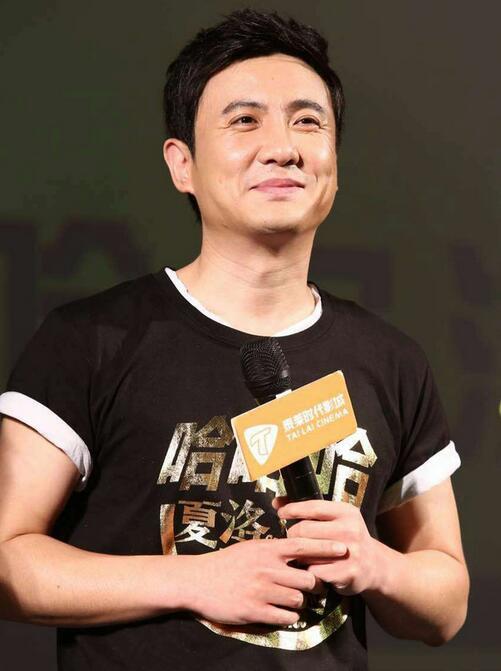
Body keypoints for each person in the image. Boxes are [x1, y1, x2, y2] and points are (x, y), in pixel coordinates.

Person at [0, 8, 469, 670]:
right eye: (245, 121)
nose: (282, 147)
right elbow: (8, 558)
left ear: (334, 162)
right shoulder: (91, 341)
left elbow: (447, 602)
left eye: (308, 122)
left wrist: (375, 563)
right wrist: (193, 579)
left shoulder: (390, 360)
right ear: (182, 164)